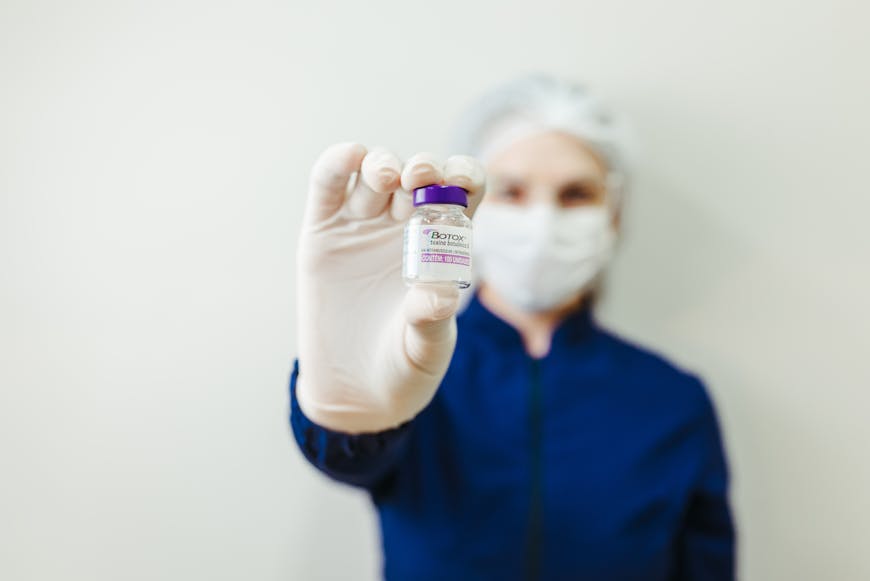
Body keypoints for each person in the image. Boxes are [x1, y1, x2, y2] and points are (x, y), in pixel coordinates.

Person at [289, 75, 735, 580]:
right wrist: (347, 413)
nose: (542, 221)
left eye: (574, 194)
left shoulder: (673, 400)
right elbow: (347, 460)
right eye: (512, 191)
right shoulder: (411, 367)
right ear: (468, 212)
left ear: (613, 213)